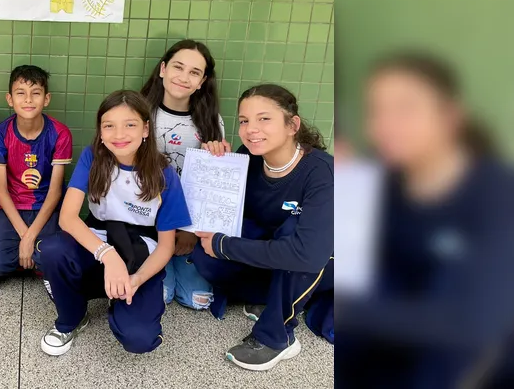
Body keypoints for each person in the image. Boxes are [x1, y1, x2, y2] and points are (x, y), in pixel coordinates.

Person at [338, 53, 514, 388]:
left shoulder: (500, 195)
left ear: (451, 116)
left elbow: (475, 322)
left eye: (405, 108)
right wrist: (347, 195)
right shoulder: (381, 186)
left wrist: (357, 312)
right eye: (376, 110)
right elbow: (351, 281)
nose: (384, 125)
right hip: (384, 355)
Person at [35, 90, 192, 356]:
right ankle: (71, 318)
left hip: (141, 252)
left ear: (145, 129)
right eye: (109, 126)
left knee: (139, 339)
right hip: (98, 241)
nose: (119, 135)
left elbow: (166, 247)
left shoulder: (163, 174)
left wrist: (137, 279)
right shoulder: (93, 157)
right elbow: (68, 218)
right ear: (100, 131)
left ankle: (122, 300)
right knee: (51, 251)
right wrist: (108, 256)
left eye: (129, 125)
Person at [193, 83, 333, 371]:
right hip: (277, 256)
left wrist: (225, 245)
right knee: (206, 260)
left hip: (324, 262)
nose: (251, 128)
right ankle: (273, 297)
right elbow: (225, 214)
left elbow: (309, 254)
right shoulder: (250, 157)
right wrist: (216, 164)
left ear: (292, 125)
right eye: (244, 121)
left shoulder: (323, 172)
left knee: (292, 233)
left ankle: (278, 336)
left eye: (264, 118)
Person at [139, 39, 225, 310]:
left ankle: (181, 256)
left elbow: (211, 186)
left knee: (197, 300)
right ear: (163, 69)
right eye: (178, 67)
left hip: (188, 225)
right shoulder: (139, 113)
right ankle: (156, 254)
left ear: (202, 81)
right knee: (160, 295)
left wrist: (189, 231)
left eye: (194, 72)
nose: (184, 77)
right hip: (145, 220)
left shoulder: (211, 122)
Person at [0, 65, 72, 277]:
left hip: (47, 208)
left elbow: (55, 192)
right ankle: (30, 258)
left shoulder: (60, 133)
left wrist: (30, 238)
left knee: (57, 258)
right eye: (21, 93)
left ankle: (35, 259)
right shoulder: (0, 134)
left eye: (36, 93)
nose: (28, 100)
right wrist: (25, 235)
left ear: (46, 99)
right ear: (10, 99)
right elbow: (1, 190)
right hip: (13, 207)